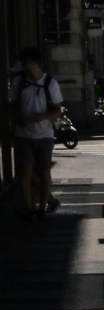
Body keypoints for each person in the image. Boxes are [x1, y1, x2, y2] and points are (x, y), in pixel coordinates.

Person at [8, 47, 64, 220]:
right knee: (25, 171)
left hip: (44, 134)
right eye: (22, 62)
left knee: (44, 171)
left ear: (36, 62)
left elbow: (57, 109)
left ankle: (42, 207)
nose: (24, 65)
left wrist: (42, 117)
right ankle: (29, 207)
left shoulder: (50, 84)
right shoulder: (19, 82)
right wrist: (19, 118)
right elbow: (12, 105)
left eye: (26, 61)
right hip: (23, 134)